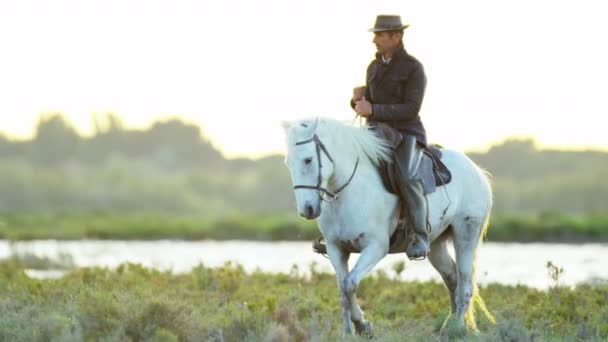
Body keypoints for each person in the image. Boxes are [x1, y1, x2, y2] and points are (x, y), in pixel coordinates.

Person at [351, 14, 429, 260]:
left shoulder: (414, 68)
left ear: (396, 37)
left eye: (380, 35)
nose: (375, 40)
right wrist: (357, 102)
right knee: (348, 169)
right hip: (377, 133)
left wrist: (373, 110)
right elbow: (369, 105)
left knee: (406, 175)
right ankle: (343, 229)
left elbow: (411, 108)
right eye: (375, 34)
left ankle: (420, 236)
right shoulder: (372, 67)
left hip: (407, 133)